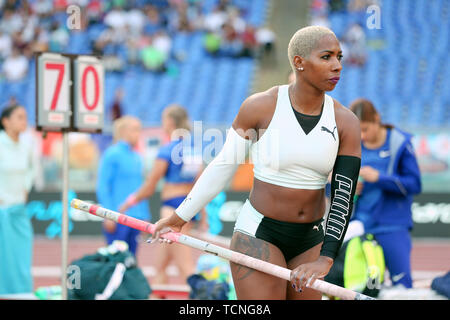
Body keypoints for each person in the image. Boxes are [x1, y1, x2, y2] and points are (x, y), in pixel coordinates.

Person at [151, 26, 361, 300]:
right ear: (299, 62)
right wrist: (179, 218)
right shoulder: (260, 107)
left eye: (339, 57)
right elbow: (223, 166)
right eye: (326, 57)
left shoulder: (346, 122)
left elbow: (343, 198)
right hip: (260, 234)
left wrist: (327, 259)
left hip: (311, 239)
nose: (337, 66)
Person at [119, 104, 207, 285]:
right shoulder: (193, 149)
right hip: (189, 207)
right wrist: (203, 216)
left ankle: (204, 300)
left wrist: (128, 203)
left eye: (163, 120)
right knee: (160, 266)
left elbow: (150, 186)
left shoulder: (167, 150)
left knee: (185, 267)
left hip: (171, 209)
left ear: (170, 122)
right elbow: (201, 185)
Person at [349, 98, 421, 288]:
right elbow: (330, 185)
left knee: (402, 286)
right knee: (367, 287)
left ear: (377, 119)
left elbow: (415, 185)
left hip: (392, 226)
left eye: (365, 129)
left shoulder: (400, 143)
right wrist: (348, 186)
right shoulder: (350, 142)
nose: (362, 136)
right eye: (358, 131)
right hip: (359, 226)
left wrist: (380, 178)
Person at [96, 116, 151, 257]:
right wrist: (108, 215)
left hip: (136, 218)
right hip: (118, 217)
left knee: (131, 262)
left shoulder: (137, 157)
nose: (138, 134)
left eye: (139, 130)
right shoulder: (112, 154)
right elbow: (102, 186)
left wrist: (144, 215)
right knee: (115, 262)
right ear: (124, 132)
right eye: (135, 130)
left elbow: (140, 189)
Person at [0, 105, 35, 294]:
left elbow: (31, 170)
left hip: (19, 209)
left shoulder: (26, 146)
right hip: (1, 210)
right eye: (19, 117)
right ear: (6, 121)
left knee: (22, 254)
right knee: (2, 256)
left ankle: (21, 292)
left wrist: (25, 188)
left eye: (25, 117)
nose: (24, 121)